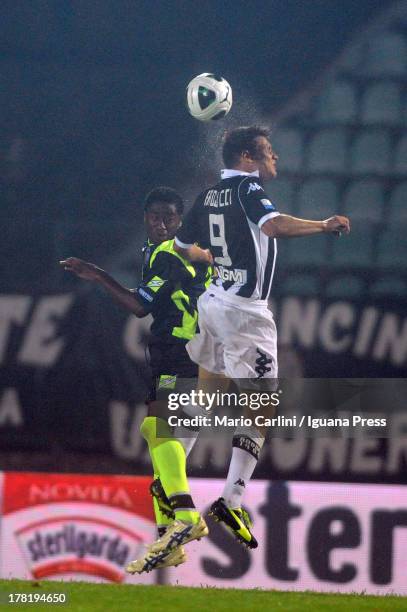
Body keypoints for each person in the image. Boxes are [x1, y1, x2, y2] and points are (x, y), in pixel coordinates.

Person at [143, 125, 350, 555]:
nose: (275, 160)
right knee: (263, 407)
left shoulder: (207, 195)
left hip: (213, 303)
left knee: (207, 395)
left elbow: (183, 247)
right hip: (243, 312)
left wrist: (215, 257)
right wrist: (323, 224)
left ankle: (167, 484)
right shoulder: (248, 189)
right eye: (268, 153)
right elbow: (273, 227)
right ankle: (231, 499)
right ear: (247, 159)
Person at [60, 186, 212, 573]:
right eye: (154, 217)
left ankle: (186, 517)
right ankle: (169, 534)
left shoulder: (170, 255)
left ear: (180, 221)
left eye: (170, 218)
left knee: (156, 429)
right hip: (184, 353)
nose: (161, 224)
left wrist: (96, 274)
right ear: (145, 218)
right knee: (160, 445)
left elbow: (138, 306)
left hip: (185, 352)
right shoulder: (157, 252)